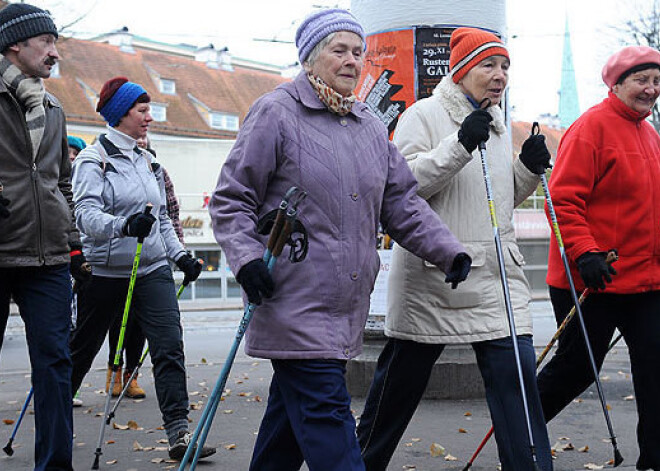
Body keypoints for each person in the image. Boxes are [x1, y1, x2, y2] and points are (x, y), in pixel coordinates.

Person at [209, 9, 470, 471]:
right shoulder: (277, 113)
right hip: (291, 297)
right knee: (330, 425)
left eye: (358, 52)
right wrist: (246, 259)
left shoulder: (369, 125)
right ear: (311, 59)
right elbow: (232, 198)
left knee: (286, 433)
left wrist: (447, 251)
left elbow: (402, 204)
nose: (352, 61)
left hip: (345, 302)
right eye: (340, 50)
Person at [356, 27, 553, 471]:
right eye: (488, 64)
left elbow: (494, 203)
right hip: (436, 278)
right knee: (394, 397)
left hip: (497, 283)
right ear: (461, 70)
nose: (500, 74)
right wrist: (460, 144)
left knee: (518, 389)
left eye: (505, 66)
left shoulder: (499, 124)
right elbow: (404, 190)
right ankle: (359, 465)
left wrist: (527, 169)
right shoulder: (422, 116)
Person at [68, 76, 215, 461]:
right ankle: (54, 423)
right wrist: (123, 225)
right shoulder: (93, 159)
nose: (150, 117)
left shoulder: (148, 161)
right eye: (142, 110)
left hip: (151, 270)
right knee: (81, 352)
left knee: (169, 348)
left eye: (149, 110)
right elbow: (84, 216)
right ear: (120, 114)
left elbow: (162, 219)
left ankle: (179, 435)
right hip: (104, 272)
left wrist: (180, 255)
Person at [536, 46, 660, 470]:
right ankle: (519, 432)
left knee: (656, 370)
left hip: (645, 281)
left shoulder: (651, 135)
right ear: (617, 82)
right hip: (592, 277)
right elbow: (563, 200)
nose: (651, 89)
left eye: (656, 81)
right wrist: (585, 251)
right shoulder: (590, 128)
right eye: (641, 80)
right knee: (576, 371)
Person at [0, 4, 90, 469]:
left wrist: (73, 246)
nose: (55, 53)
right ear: (16, 44)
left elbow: (63, 182)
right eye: (47, 42)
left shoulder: (53, 107)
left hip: (49, 257)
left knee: (56, 367)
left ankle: (55, 466)